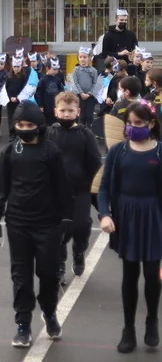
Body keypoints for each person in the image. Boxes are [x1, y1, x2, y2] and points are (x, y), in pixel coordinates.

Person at [0, 103, 73, 348]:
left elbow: (62, 187)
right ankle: (23, 323)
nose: (25, 129)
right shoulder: (9, 152)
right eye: (20, 125)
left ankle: (49, 310)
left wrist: (67, 217)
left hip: (48, 223)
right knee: (20, 275)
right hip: (18, 222)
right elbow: (1, 187)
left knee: (48, 273)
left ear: (39, 126)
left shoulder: (51, 152)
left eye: (29, 125)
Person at [98, 102, 162, 353]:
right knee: (130, 274)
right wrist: (105, 214)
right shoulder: (118, 152)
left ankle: (152, 321)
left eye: (139, 123)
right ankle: (128, 328)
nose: (133, 128)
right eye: (130, 123)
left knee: (152, 275)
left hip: (153, 216)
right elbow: (104, 186)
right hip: (126, 217)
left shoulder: (159, 152)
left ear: (151, 124)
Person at [48, 92, 101, 284]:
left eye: (70, 111)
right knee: (57, 230)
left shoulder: (85, 135)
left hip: (80, 190)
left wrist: (98, 196)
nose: (66, 114)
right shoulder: (49, 134)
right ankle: (60, 265)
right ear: (55, 111)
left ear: (78, 112)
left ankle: (79, 251)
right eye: (62, 110)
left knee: (81, 226)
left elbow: (95, 164)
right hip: (55, 193)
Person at [67, 46, 100, 125]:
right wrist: (81, 93)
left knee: (89, 116)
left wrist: (90, 93)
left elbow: (95, 83)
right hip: (79, 96)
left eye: (85, 57)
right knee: (81, 115)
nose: (82, 59)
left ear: (89, 58)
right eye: (80, 57)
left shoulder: (93, 70)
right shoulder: (76, 70)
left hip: (90, 96)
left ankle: (89, 130)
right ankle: (80, 130)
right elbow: (75, 82)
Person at [36, 57, 65, 126]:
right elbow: (38, 94)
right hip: (46, 107)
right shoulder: (43, 80)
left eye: (57, 69)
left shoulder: (57, 79)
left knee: (57, 123)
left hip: (56, 106)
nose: (56, 71)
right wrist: (40, 105)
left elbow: (61, 90)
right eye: (54, 69)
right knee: (48, 124)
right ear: (47, 68)